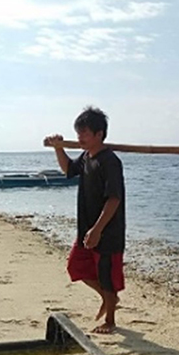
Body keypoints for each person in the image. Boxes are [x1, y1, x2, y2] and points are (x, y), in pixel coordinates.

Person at [43, 106, 126, 334]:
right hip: (86, 226)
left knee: (106, 274)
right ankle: (109, 299)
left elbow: (114, 199)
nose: (79, 138)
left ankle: (110, 320)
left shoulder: (109, 161)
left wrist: (98, 229)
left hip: (107, 229)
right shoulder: (87, 156)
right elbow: (68, 169)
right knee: (76, 266)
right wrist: (58, 148)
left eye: (84, 133)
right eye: (78, 133)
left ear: (99, 134)